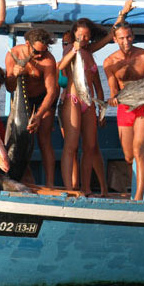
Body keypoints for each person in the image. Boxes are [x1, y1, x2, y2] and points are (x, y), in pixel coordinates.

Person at [103, 1, 144, 201]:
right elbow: (114, 91)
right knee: (129, 157)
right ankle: (134, 190)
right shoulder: (109, 62)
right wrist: (112, 99)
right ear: (115, 39)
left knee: (139, 150)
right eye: (121, 38)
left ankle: (138, 197)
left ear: (133, 36)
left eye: (129, 36)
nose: (126, 41)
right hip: (125, 107)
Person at [58, 19, 108, 197]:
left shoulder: (90, 52)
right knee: (71, 146)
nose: (83, 38)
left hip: (89, 102)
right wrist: (74, 49)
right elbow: (61, 65)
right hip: (73, 100)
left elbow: (98, 85)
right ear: (74, 34)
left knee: (90, 147)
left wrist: (102, 110)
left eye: (87, 35)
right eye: (80, 35)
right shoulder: (69, 48)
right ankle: (69, 189)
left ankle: (86, 188)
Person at [4, 28, 58, 187]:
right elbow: (9, 87)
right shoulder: (13, 54)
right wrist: (14, 75)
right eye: (37, 52)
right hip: (22, 100)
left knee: (44, 139)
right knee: (18, 140)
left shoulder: (48, 61)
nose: (40, 55)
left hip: (44, 99)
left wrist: (39, 115)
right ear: (27, 44)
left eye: (44, 51)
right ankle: (19, 179)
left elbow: (52, 92)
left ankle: (49, 184)